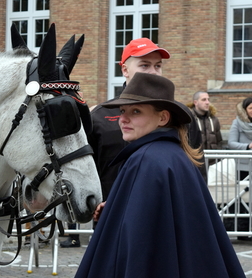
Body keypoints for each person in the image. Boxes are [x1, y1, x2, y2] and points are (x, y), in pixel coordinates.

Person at [74, 72, 245, 278]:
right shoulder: (173, 154)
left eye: (136, 111)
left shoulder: (145, 159)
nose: (123, 119)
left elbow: (139, 241)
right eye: (122, 111)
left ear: (163, 118)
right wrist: (117, 208)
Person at [88, 38, 206, 203]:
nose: (153, 72)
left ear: (164, 117)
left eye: (158, 66)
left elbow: (196, 168)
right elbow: (86, 173)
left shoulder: (181, 115)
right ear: (125, 70)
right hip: (113, 213)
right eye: (144, 65)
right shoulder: (100, 116)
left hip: (167, 212)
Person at [228, 97, 252, 180]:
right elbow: (231, 143)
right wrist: (248, 146)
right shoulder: (237, 123)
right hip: (243, 166)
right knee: (243, 191)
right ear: (244, 110)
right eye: (250, 108)